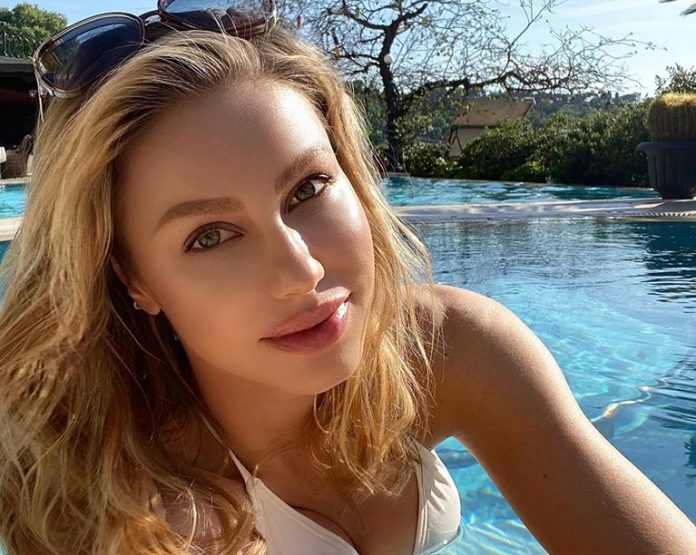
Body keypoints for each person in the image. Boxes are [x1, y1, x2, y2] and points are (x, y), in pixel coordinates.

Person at [0, 2, 695, 554]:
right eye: (209, 235)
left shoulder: (449, 349)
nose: (301, 270)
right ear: (134, 279)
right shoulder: (118, 501)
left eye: (307, 188)